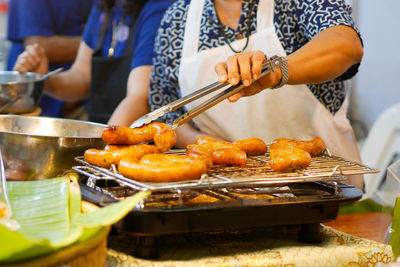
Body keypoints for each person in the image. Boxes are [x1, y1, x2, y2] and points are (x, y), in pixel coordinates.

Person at [148, 0, 364, 189]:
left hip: (329, 192)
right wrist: (224, 152)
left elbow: (346, 45)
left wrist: (275, 71)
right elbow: (168, 118)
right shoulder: (176, 19)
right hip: (233, 195)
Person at [13, 0, 174, 124]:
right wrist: (45, 80)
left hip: (137, 144)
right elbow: (82, 76)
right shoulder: (105, 6)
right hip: (104, 131)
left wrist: (101, 153)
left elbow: (139, 98)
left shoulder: (158, 9)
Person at [6, 0, 93, 118]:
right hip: (37, 105)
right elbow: (39, 45)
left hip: (79, 100)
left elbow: (84, 77)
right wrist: (95, 45)